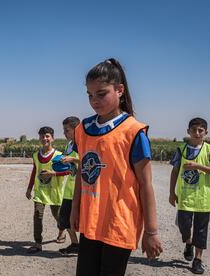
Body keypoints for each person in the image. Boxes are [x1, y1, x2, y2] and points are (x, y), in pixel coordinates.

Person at [70, 58, 163, 276]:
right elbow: (82, 173)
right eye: (90, 95)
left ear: (119, 90)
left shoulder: (134, 131)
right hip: (90, 222)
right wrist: (75, 208)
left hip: (118, 223)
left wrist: (151, 231)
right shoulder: (83, 128)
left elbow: (145, 184)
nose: (94, 100)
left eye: (101, 94)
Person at [169, 117, 210, 274]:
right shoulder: (181, 149)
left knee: (201, 230)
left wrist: (199, 166)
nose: (197, 133)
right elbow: (175, 171)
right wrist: (172, 192)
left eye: (200, 130)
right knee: (184, 226)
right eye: (194, 130)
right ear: (188, 131)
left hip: (203, 199)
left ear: (206, 132)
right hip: (185, 198)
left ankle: (197, 260)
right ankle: (188, 242)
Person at [25, 126, 67, 253]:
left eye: (47, 136)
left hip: (54, 192)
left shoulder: (59, 156)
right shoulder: (36, 155)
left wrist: (53, 174)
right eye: (42, 136)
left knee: (58, 216)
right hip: (40, 192)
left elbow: (67, 171)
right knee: (37, 216)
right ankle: (38, 243)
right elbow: (34, 171)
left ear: (52, 138)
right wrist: (29, 188)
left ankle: (61, 231)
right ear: (39, 138)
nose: (44, 138)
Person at [57, 116, 81, 256]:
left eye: (67, 130)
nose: (64, 133)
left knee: (82, 221)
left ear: (76, 129)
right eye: (64, 130)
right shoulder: (69, 145)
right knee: (64, 220)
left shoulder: (84, 143)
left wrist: (73, 159)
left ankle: (87, 249)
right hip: (69, 190)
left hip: (82, 191)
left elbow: (90, 160)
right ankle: (75, 244)